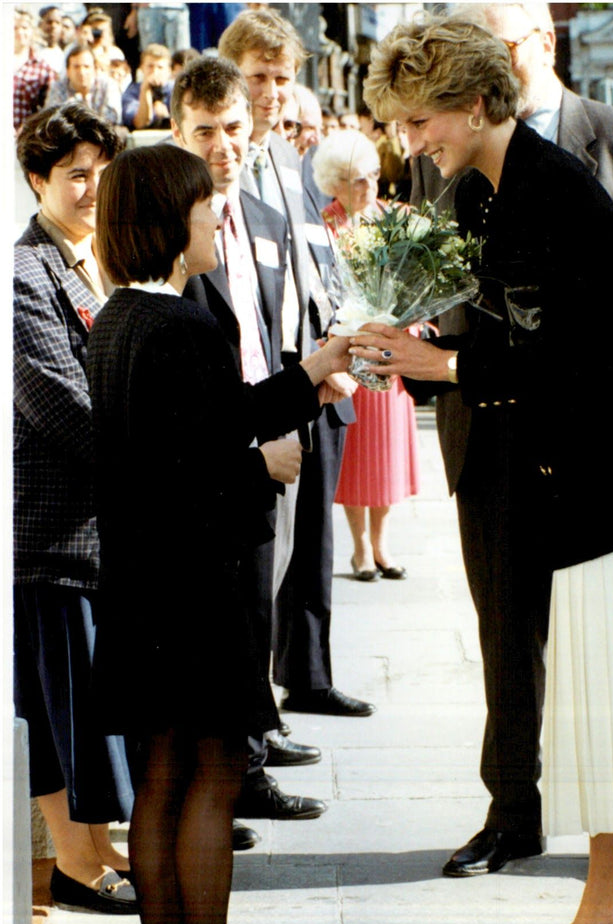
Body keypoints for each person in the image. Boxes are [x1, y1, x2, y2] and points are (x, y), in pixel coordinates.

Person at [356, 15, 613, 924]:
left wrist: (439, 360)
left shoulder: (548, 188)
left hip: (605, 471)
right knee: (612, 674)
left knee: (607, 685)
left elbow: (571, 354)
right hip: (593, 462)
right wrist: (424, 349)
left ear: (476, 102)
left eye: (420, 122)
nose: (412, 144)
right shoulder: (502, 182)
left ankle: (603, 907)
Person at [411, 1, 613, 879]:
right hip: (489, 431)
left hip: (585, 435)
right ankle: (519, 813)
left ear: (535, 45)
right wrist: (436, 351)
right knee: (506, 633)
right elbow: (458, 286)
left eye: (487, 45)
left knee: (605, 645)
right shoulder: (459, 163)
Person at [87, 143, 353, 924]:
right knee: (211, 778)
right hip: (196, 600)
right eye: (204, 209)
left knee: (158, 786)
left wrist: (312, 374)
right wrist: (262, 473)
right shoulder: (187, 328)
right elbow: (193, 480)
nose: (216, 221)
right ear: (171, 221)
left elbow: (202, 426)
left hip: (140, 598)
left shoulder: (122, 321)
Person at [172, 57, 333, 812]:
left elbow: (269, 330)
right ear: (180, 132)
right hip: (208, 445)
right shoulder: (167, 224)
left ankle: (250, 753)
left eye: (233, 128)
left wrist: (313, 381)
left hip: (273, 428)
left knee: (261, 601)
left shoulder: (265, 221)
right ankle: (226, 776)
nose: (223, 145)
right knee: (214, 618)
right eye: (205, 130)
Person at [219, 9, 374, 720]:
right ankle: (256, 713)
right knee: (262, 554)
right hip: (267, 381)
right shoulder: (219, 166)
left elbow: (322, 265)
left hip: (320, 377)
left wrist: (348, 339)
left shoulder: (292, 161)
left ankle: (307, 674)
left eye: (283, 77)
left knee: (311, 539)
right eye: (259, 76)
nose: (274, 91)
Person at [14, 103, 136, 915]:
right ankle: (72, 858)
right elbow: (63, 408)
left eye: (101, 172)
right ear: (37, 182)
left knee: (89, 703)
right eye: (74, 176)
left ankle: (95, 845)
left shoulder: (98, 259)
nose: (91, 189)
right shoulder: (24, 276)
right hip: (53, 533)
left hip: (102, 529)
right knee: (59, 704)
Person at [312, 131, 420, 581]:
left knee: (388, 453)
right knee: (357, 455)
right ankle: (359, 548)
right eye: (357, 180)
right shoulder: (324, 225)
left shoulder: (394, 218)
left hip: (393, 352)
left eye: (374, 176)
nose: (368, 186)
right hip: (349, 356)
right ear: (336, 183)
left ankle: (382, 544)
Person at [46, 42, 122, 125]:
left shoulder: (108, 85)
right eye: (76, 67)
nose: (82, 72)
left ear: (95, 69)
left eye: (86, 66)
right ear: (68, 71)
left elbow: (113, 117)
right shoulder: (58, 87)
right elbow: (53, 119)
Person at [14, 9, 58, 132]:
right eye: (14, 28)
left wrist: (30, 126)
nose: (19, 32)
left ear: (32, 31)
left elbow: (50, 108)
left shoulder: (43, 68)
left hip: (26, 136)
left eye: (24, 27)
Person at [121, 42, 173, 129]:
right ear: (142, 68)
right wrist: (145, 90)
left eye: (160, 67)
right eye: (150, 66)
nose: (155, 72)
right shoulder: (132, 92)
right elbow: (140, 123)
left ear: (169, 70)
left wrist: (167, 117)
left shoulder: (176, 90)